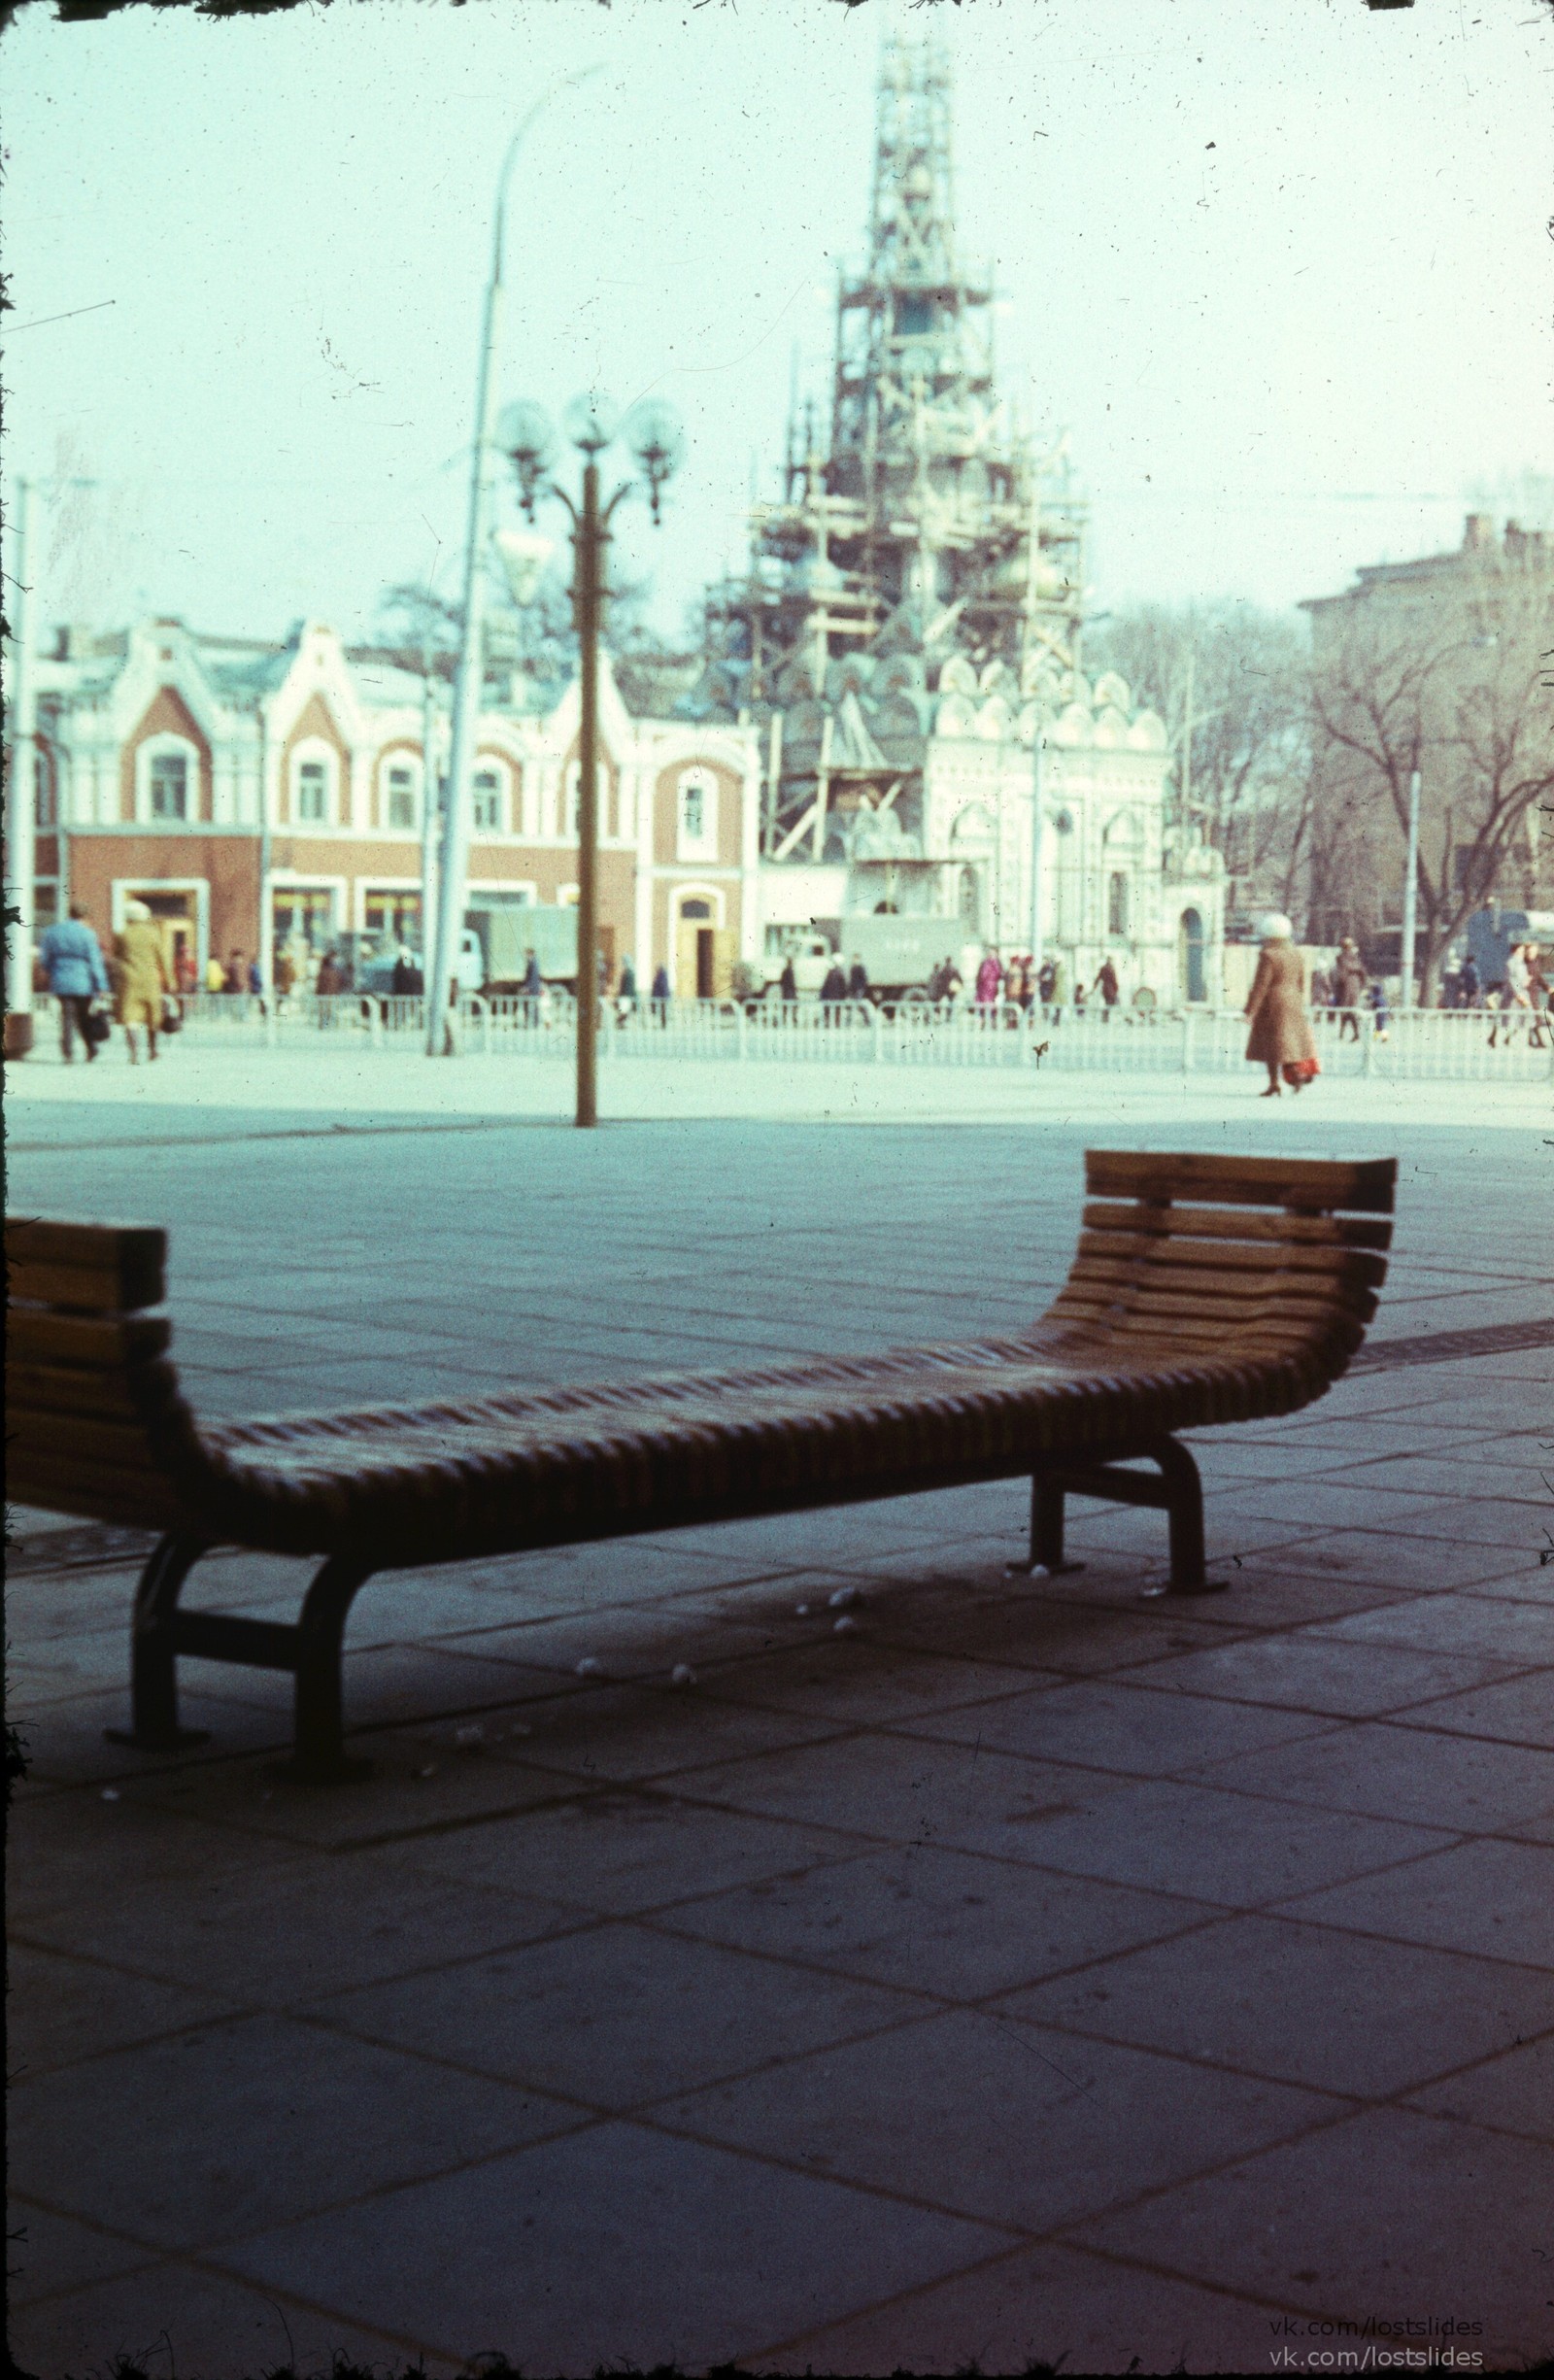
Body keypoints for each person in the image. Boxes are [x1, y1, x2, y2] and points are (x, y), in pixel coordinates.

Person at [1243, 911, 1319, 1097]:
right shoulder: (1296, 954)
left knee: (1273, 1046)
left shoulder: (1268, 955)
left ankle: (1274, 1083)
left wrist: (1250, 1010)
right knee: (1288, 1044)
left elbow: (1261, 985)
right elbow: (1302, 982)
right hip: (1293, 1000)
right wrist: (1297, 999)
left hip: (1273, 1003)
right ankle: (1297, 1075)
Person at [39, 901, 110, 1064]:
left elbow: (44, 959)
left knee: (66, 1016)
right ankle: (91, 1048)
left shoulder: (53, 932)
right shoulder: (88, 934)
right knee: (84, 1016)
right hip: (83, 980)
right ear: (84, 917)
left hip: (60, 979)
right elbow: (95, 961)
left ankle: (68, 1052)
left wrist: (53, 971)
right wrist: (101, 985)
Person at [114, 899, 172, 1065]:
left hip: (129, 979)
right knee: (152, 1014)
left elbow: (116, 956)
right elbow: (163, 958)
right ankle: (153, 1050)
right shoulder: (153, 933)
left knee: (130, 1017)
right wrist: (169, 979)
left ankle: (133, 1053)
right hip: (150, 979)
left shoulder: (122, 934)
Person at [1334, 936, 1367, 1041]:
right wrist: (1362, 985)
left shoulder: (1341, 958)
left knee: (1346, 1009)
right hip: (1355, 985)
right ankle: (1348, 1033)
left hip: (1346, 986)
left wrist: (1337, 986)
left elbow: (1342, 974)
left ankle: (1345, 1033)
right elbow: (1363, 973)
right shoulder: (1356, 958)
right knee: (1350, 1009)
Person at [975, 948, 1003, 1016]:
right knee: (988, 1005)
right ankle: (988, 1020)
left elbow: (982, 975)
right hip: (988, 988)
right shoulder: (993, 963)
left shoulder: (988, 963)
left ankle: (988, 1020)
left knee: (987, 1005)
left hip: (989, 988)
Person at [1093, 956, 1120, 1021]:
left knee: (1108, 1002)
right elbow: (1114, 979)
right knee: (1111, 1002)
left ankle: (1105, 1016)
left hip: (1104, 988)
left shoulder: (1103, 968)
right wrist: (1116, 988)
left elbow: (1098, 977)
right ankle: (1105, 1015)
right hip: (1110, 989)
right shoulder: (1111, 968)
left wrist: (1095, 985)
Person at [616, 955, 637, 1021]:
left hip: (626, 995)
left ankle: (620, 1022)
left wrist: (623, 994)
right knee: (623, 1011)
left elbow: (627, 986)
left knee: (623, 1011)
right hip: (626, 995)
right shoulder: (628, 972)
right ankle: (621, 1022)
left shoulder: (628, 973)